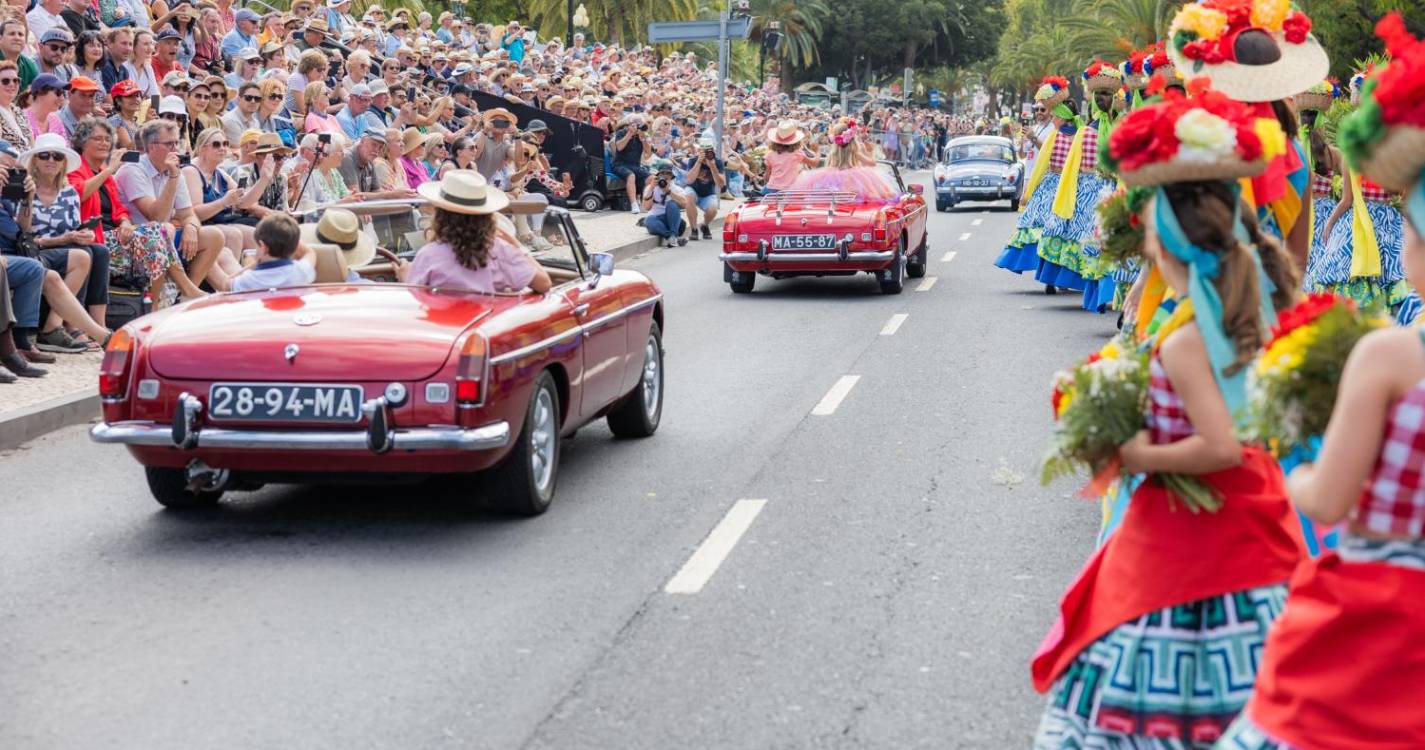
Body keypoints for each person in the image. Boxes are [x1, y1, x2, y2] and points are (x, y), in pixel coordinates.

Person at [1030, 91, 1304, 748]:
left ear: (1165, 239)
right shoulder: (1236, 307)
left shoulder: (1185, 337)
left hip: (1193, 539)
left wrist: (1131, 450)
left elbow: (1219, 446)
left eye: (1149, 220)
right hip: (1249, 527)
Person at [1217, 16, 1425, 746]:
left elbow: (1329, 497)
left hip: (1381, 631)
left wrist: (1299, 465)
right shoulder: (1296, 152)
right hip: (1274, 293)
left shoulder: (1391, 357)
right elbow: (1299, 244)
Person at [8, 131, 109, 350]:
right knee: (84, 256)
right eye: (45, 156)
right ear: (35, 160)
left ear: (63, 162)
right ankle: (59, 327)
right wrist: (29, 198)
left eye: (57, 156)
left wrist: (84, 234)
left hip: (60, 247)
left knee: (98, 250)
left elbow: (72, 229)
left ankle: (78, 324)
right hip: (32, 248)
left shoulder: (69, 192)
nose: (51, 160)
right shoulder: (23, 187)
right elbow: (23, 233)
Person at [1038, 63, 1121, 308]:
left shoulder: (1116, 128)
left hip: (1107, 191)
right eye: (1099, 95)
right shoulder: (1087, 132)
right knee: (1094, 242)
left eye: (1106, 95)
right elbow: (1070, 169)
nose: (1102, 99)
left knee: (1103, 242)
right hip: (1095, 192)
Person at [114, 118, 228, 292]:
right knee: (165, 228)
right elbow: (156, 217)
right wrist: (173, 177)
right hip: (135, 239)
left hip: (163, 235)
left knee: (215, 235)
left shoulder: (174, 170)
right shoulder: (133, 169)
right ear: (151, 146)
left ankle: (185, 296)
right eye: (169, 144)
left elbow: (189, 215)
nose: (176, 149)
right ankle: (188, 291)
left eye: (177, 142)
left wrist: (190, 227)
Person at [408, 170, 550, 294]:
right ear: (486, 215)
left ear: (440, 215)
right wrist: (517, 245)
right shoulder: (500, 250)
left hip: (446, 323)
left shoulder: (428, 254)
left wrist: (403, 275)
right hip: (489, 322)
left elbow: (414, 295)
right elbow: (544, 283)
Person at [995, 77, 1073, 287]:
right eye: (1037, 109)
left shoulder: (1055, 130)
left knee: (1052, 225)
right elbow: (1024, 155)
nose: (1039, 113)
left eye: (1043, 110)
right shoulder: (1037, 129)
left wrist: (1034, 139)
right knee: (1031, 224)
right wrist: (1025, 141)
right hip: (1034, 179)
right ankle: (1043, 266)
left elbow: (1053, 153)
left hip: (1053, 181)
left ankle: (1053, 270)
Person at [787, 117, 896, 200]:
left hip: (832, 179)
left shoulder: (833, 153)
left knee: (833, 201)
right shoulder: (855, 151)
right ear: (852, 138)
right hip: (854, 180)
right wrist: (870, 151)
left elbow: (829, 166)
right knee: (857, 201)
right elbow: (871, 163)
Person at [227, 213, 315, 292]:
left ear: (263, 247)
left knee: (225, 255)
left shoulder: (248, 280)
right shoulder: (302, 271)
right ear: (295, 245)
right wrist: (290, 236)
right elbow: (310, 253)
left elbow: (226, 284)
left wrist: (254, 264)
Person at [679, 137, 725, 241]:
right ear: (699, 150)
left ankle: (704, 225)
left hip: (708, 193)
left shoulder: (717, 162)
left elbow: (721, 184)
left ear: (712, 150)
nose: (706, 153)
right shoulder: (693, 160)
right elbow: (689, 180)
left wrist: (712, 166)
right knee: (688, 196)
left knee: (713, 210)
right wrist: (699, 162)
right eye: (703, 150)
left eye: (708, 150)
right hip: (693, 190)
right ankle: (694, 229)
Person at [641, 160, 690, 249]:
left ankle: (673, 236)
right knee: (649, 220)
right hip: (656, 219)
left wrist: (669, 192)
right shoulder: (650, 187)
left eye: (668, 173)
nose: (665, 175)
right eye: (662, 173)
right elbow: (646, 207)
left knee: (672, 204)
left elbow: (685, 204)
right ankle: (672, 238)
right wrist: (651, 188)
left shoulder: (676, 188)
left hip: (672, 220)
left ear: (672, 176)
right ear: (658, 175)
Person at [762, 119, 818, 195]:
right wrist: (817, 152)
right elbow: (814, 163)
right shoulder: (797, 154)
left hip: (772, 189)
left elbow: (766, 176)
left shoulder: (770, 154)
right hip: (790, 190)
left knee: (762, 191)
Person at [610, 113, 650, 213]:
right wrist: (629, 134)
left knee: (651, 178)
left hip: (635, 165)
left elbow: (648, 154)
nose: (638, 126)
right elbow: (619, 147)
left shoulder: (642, 135)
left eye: (640, 124)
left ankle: (644, 203)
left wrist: (643, 139)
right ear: (630, 124)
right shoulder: (622, 132)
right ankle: (634, 204)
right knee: (631, 176)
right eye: (636, 124)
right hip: (620, 164)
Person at [24, 74, 70, 141]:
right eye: (58, 92)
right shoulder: (22, 119)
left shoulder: (56, 120)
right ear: (41, 92)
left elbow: (65, 148)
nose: (62, 98)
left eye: (63, 93)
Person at [0, 61, 32, 150]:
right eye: (5, 81)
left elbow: (32, 143)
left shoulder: (18, 111)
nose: (12, 84)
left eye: (16, 80)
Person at [0, 20, 38, 93]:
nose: (17, 38)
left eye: (20, 34)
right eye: (12, 34)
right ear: (0, 39)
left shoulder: (29, 66)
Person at [123, 29, 158, 97]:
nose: (150, 48)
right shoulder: (125, 66)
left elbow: (155, 95)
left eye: (151, 43)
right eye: (145, 44)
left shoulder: (148, 68)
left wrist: (155, 107)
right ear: (134, 46)